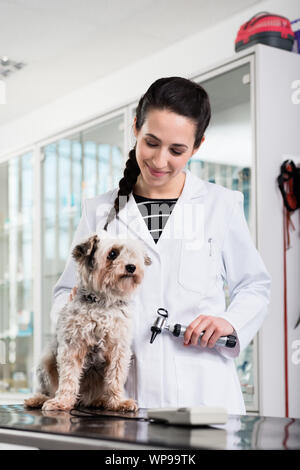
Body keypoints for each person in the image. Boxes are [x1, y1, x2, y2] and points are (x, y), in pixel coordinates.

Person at [50, 77, 271, 414]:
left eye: (177, 150)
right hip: (123, 391)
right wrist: (74, 318)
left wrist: (230, 322)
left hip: (203, 390)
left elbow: (254, 285)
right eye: (151, 142)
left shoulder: (220, 205)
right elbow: (64, 291)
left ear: (196, 147)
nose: (159, 160)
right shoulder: (99, 211)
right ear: (135, 128)